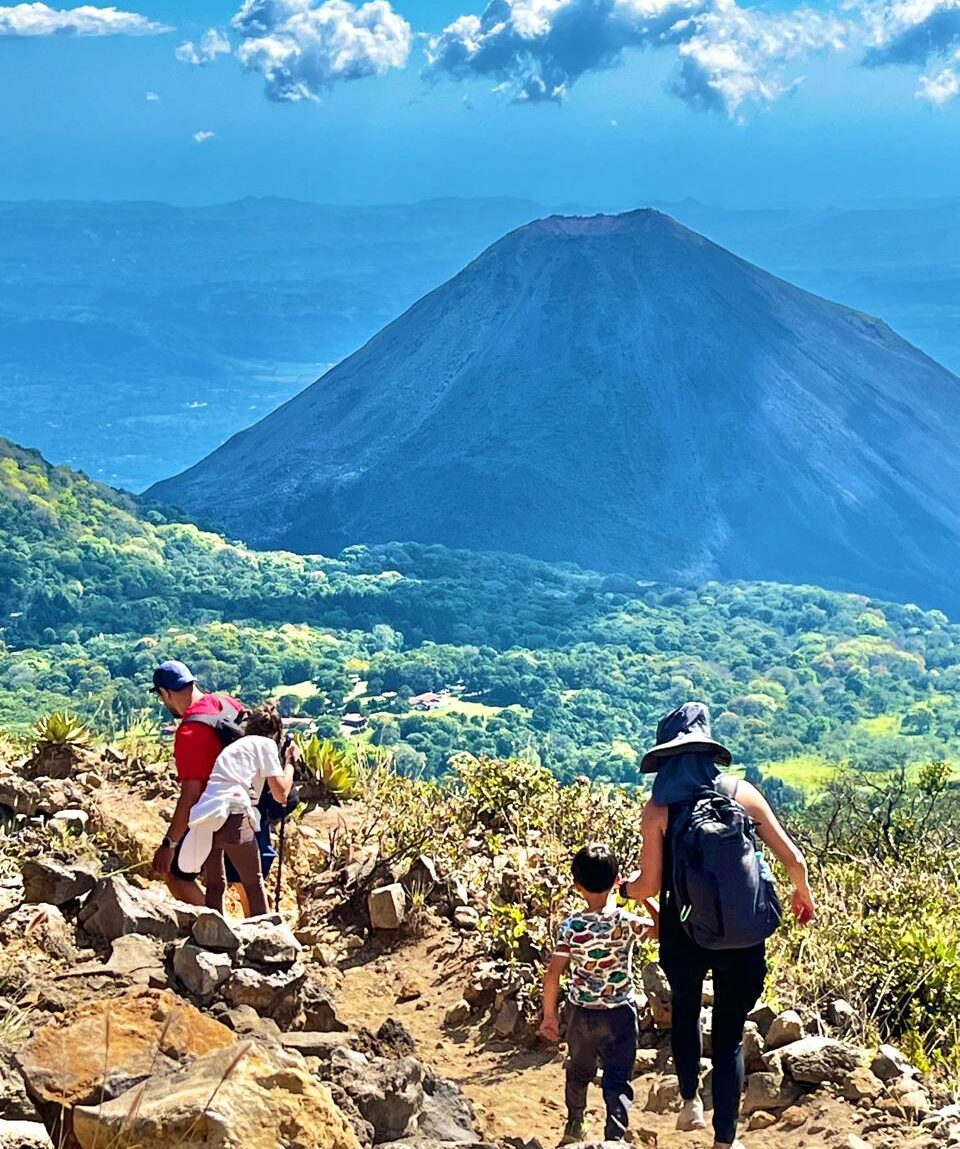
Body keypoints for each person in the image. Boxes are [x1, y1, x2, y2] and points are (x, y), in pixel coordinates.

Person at [622, 702, 816, 1149]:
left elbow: (650, 885)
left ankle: (690, 1103)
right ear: (708, 749)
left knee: (686, 1011)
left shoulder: (658, 809)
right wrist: (801, 893)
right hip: (742, 935)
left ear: (666, 756)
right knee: (729, 1037)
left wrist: (626, 890)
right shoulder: (741, 793)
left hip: (683, 931)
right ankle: (725, 1140)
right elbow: (794, 858)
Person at [539, 844, 654, 1146]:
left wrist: (550, 1016)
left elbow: (553, 973)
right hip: (620, 1012)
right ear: (617, 881)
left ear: (577, 886)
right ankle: (614, 1137)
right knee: (618, 1079)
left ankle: (575, 1123)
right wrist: (644, 896)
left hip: (581, 1013)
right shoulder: (625, 921)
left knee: (578, 1071)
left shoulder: (571, 926)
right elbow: (662, 930)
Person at [177, 702, 294, 917]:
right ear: (276, 734)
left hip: (207, 816)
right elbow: (282, 794)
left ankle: (213, 931)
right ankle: (263, 933)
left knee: (215, 885)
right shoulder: (266, 744)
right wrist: (290, 762)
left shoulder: (233, 748)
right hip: (234, 813)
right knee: (253, 884)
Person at [149, 660, 244, 905]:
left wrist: (169, 844)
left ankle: (214, 924)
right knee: (245, 878)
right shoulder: (227, 703)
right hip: (250, 804)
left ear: (165, 693)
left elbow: (191, 795)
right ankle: (260, 925)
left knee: (177, 875)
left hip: (214, 812)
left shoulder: (190, 731)